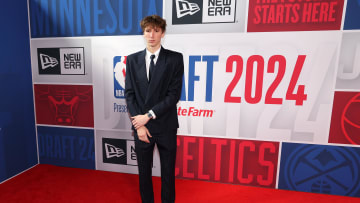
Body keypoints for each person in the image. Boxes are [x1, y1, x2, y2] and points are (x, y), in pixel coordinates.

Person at [125, 15, 184, 203]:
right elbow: (130, 94)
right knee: (144, 174)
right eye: (148, 30)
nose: (152, 35)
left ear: (163, 33)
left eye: (156, 31)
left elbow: (173, 95)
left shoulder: (175, 59)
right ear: (143, 33)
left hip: (165, 125)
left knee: (168, 174)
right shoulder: (133, 60)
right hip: (142, 128)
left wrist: (147, 116)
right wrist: (139, 125)